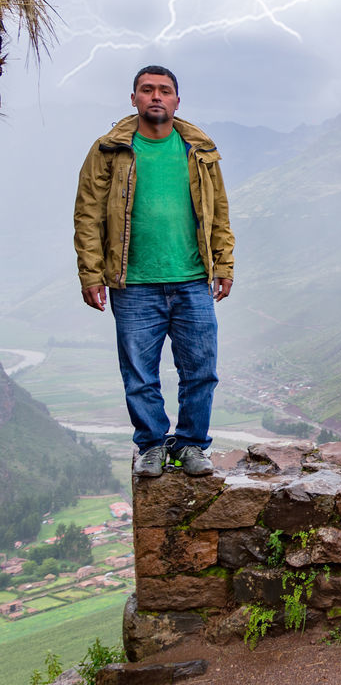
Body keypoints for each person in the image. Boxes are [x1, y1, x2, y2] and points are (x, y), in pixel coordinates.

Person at [73, 65, 235, 478]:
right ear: (134, 99)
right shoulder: (109, 151)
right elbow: (87, 214)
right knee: (139, 375)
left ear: (177, 101)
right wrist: (91, 274)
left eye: (164, 90)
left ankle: (193, 444)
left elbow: (219, 213)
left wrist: (224, 263)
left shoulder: (198, 151)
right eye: (147, 90)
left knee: (201, 370)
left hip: (192, 279)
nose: (156, 96)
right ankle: (151, 445)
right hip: (134, 283)